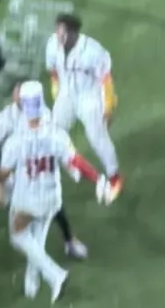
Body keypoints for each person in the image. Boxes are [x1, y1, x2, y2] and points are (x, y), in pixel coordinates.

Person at [0, 82, 106, 303]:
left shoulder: (16, 140)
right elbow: (75, 161)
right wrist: (97, 178)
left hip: (27, 198)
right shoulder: (55, 132)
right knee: (36, 237)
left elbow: (4, 172)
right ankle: (31, 280)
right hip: (53, 197)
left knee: (18, 236)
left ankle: (55, 275)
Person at [0, 91, 88, 260]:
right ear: (13, 96)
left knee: (54, 205)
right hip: (13, 170)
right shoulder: (4, 118)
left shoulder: (43, 113)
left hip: (36, 171)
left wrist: (71, 168)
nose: (21, 98)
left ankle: (69, 241)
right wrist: (4, 169)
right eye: (18, 94)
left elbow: (54, 138)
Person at [46, 14, 123, 194]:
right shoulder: (52, 45)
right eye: (57, 31)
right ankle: (73, 165)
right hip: (66, 95)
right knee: (54, 132)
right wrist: (56, 93)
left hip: (90, 97)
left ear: (73, 33)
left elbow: (106, 79)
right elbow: (53, 72)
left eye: (62, 32)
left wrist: (108, 107)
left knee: (97, 137)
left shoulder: (92, 51)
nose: (58, 36)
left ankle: (114, 177)